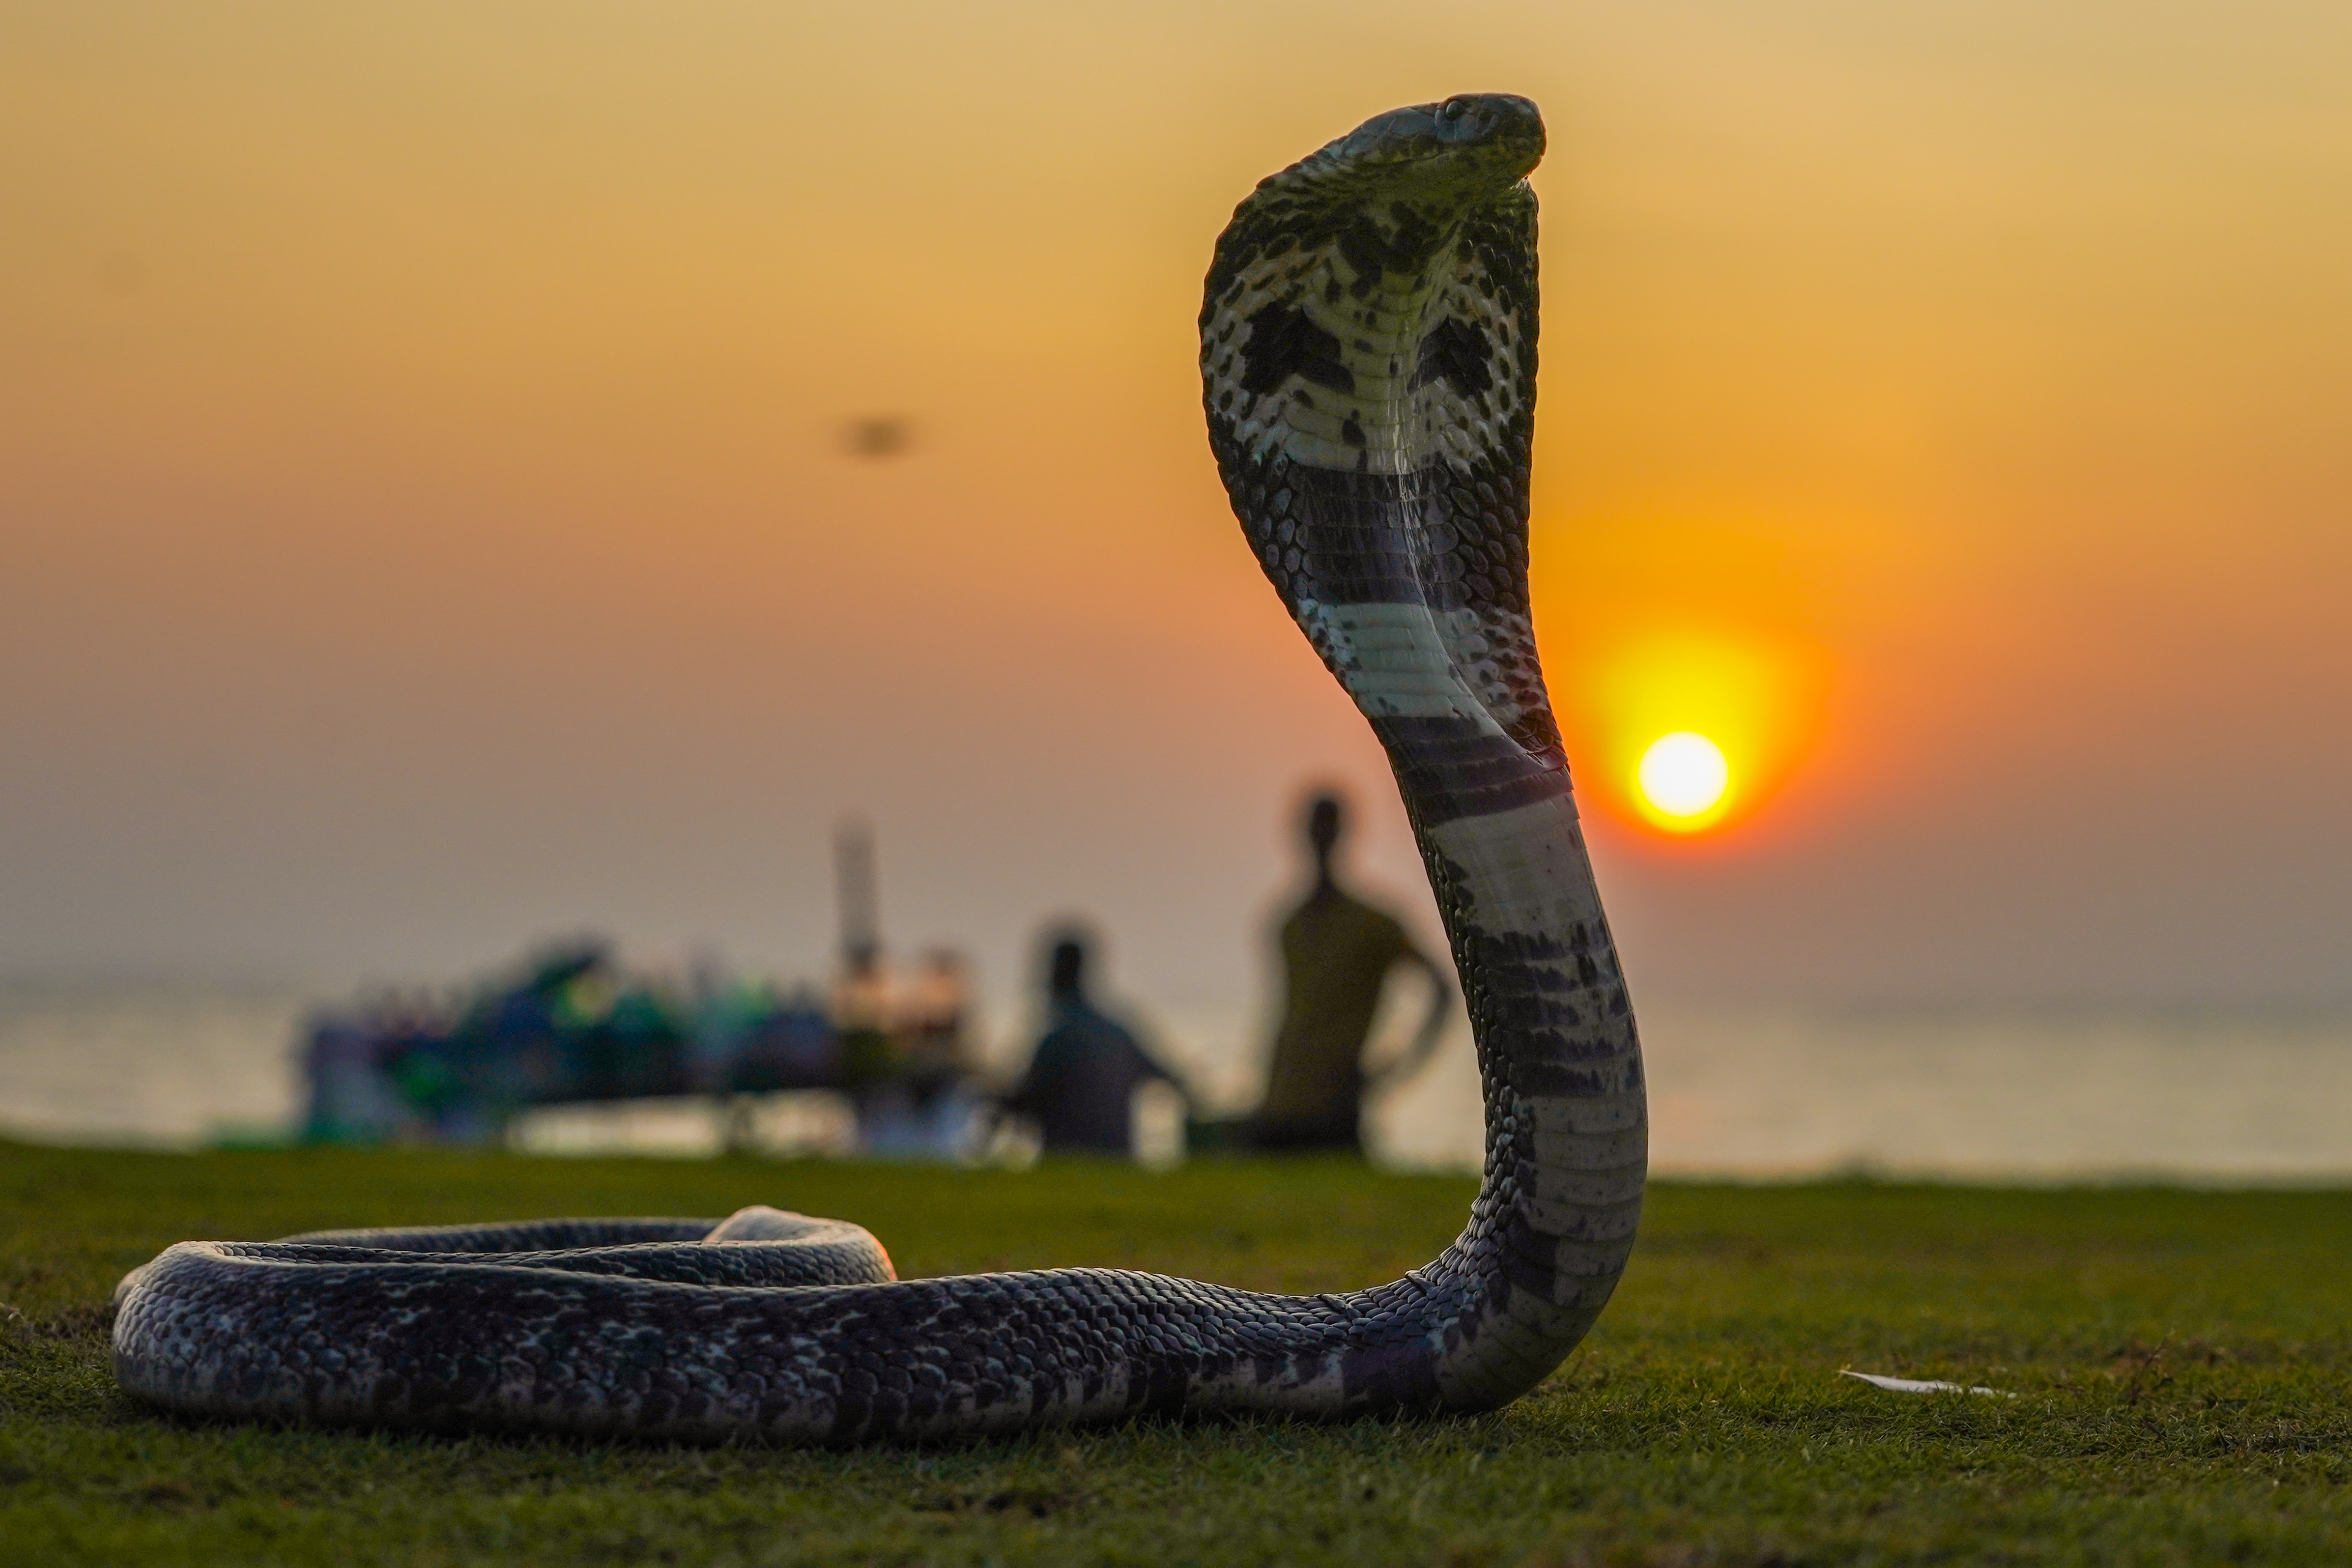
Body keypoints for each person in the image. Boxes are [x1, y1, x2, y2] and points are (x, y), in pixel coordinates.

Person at [1247, 790, 1453, 1153]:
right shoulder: (1288, 923)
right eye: (1316, 828)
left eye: (1328, 828)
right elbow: (1286, 1014)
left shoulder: (1374, 924)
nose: (1321, 838)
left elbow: (1441, 988)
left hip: (1335, 1105)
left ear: (1342, 834)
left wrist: (1399, 1064)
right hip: (1279, 1102)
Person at [1003, 928, 1189, 1157]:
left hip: (1069, 1155)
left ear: (1054, 975)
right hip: (1119, 1156)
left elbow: (1027, 1101)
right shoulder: (1118, 1032)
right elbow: (1171, 1079)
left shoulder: (1059, 1037)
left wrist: (995, 1098)